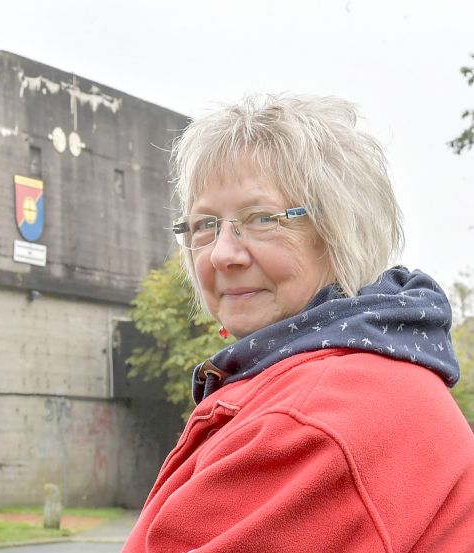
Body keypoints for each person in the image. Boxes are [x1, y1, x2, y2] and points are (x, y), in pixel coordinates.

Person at [122, 95, 474, 552]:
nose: (223, 254)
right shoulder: (368, 368)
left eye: (262, 219)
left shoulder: (311, 423)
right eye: (205, 224)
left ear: (340, 230)